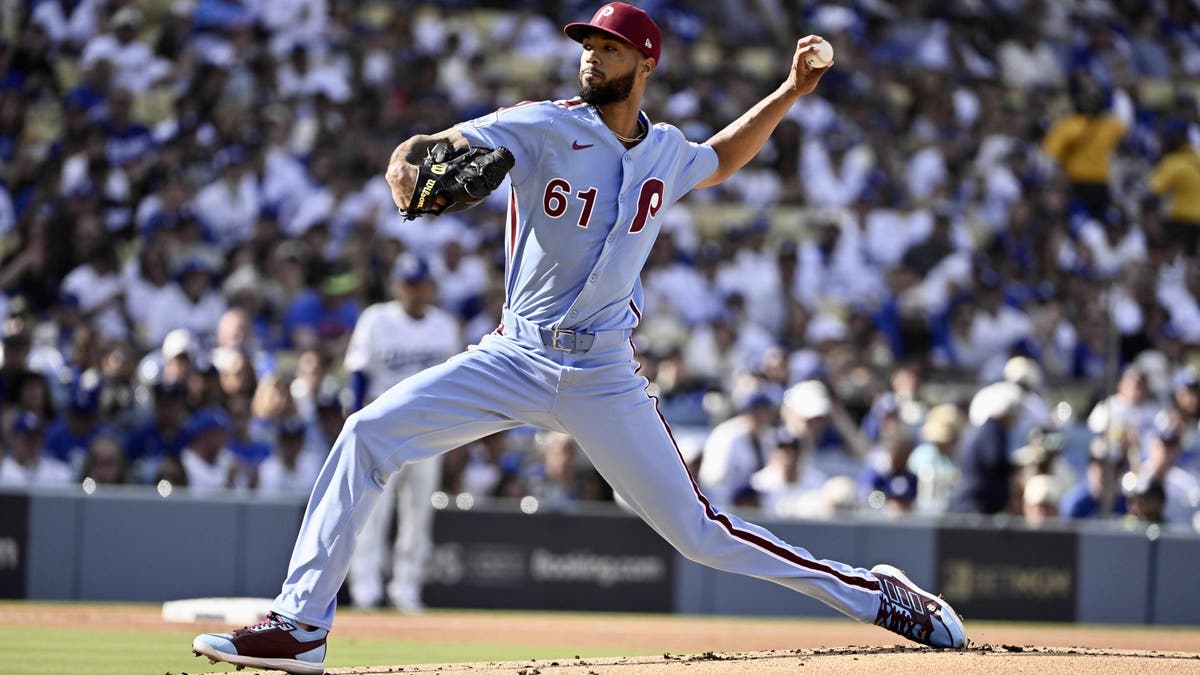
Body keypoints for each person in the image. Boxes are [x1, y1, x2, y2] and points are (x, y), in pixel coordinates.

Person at [192, 6, 966, 673]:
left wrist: (789, 94)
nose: (591, 55)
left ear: (645, 62)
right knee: (367, 434)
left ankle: (877, 595)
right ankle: (301, 626)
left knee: (699, 534)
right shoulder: (544, 124)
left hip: (603, 372)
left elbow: (722, 159)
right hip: (516, 354)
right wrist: (405, 172)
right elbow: (428, 146)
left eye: (608, 47)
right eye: (587, 44)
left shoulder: (664, 151)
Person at [344, 253, 461, 613]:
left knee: (418, 515)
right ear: (396, 286)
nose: (413, 291)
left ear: (430, 287)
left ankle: (406, 588)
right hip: (385, 427)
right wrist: (355, 426)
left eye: (419, 284)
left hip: (430, 430)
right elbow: (358, 375)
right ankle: (366, 588)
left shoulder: (445, 325)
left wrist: (458, 435)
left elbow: (456, 384)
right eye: (407, 284)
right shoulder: (376, 319)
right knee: (374, 511)